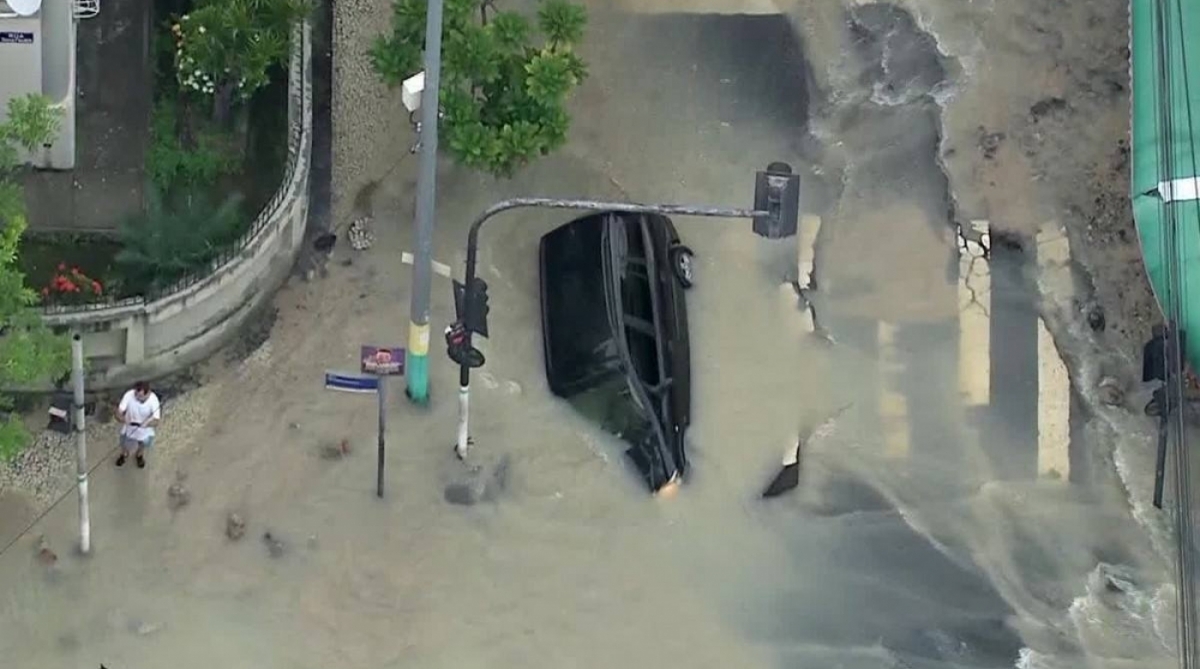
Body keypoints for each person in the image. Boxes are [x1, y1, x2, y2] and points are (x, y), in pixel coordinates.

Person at [115, 381, 161, 469]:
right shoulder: (129, 395)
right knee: (123, 442)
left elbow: (156, 421)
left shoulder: (153, 400)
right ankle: (124, 454)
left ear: (147, 394)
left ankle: (139, 455)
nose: (136, 397)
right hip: (129, 427)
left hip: (145, 430)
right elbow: (118, 412)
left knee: (143, 443)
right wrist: (123, 419)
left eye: (139, 396)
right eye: (135, 394)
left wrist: (146, 424)